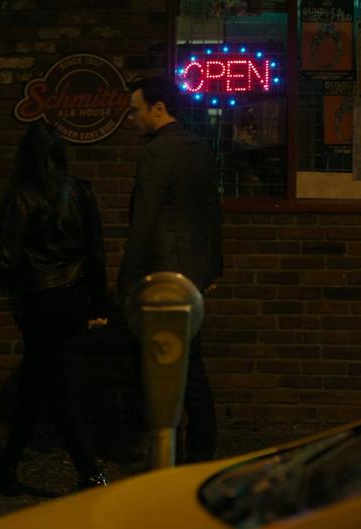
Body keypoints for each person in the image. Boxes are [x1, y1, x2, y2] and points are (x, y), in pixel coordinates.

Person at [0, 123, 109, 495]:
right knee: (34, 386)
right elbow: (97, 252)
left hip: (41, 302)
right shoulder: (81, 192)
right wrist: (98, 303)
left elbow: (6, 262)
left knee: (54, 389)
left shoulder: (22, 198)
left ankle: (91, 473)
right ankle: (6, 469)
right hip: (73, 300)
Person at [118, 76, 223, 462]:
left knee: (162, 363)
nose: (132, 118)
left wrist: (127, 281)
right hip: (193, 271)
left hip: (162, 274)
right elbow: (212, 211)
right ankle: (201, 445)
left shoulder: (155, 153)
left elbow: (142, 222)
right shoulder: (199, 148)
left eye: (135, 110)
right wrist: (213, 268)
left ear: (158, 108)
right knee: (191, 362)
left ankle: (167, 447)